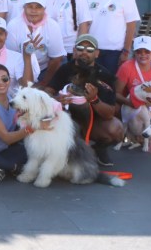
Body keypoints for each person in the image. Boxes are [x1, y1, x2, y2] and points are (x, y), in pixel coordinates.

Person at [44, 33, 124, 167]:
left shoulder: (105, 75)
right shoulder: (64, 69)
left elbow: (110, 113)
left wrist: (94, 100)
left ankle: (98, 149)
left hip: (92, 123)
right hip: (65, 120)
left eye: (90, 49)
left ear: (97, 53)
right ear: (74, 51)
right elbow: (47, 91)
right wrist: (57, 99)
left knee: (116, 129)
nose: (84, 52)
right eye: (80, 48)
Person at [85, 0, 140, 76]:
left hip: (115, 52)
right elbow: (85, 23)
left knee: (110, 84)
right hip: (93, 50)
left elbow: (131, 25)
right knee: (91, 84)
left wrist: (126, 51)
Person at [115, 35, 151, 146]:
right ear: (134, 53)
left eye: (147, 51)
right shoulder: (126, 67)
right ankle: (124, 133)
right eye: (139, 51)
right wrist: (130, 102)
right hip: (130, 105)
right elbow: (116, 93)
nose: (143, 54)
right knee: (115, 106)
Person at [5, 0, 66, 86]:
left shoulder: (53, 26)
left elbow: (56, 59)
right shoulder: (13, 25)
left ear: (44, 9)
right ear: (24, 8)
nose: (34, 11)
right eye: (30, 6)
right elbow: (11, 58)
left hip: (45, 69)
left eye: (38, 7)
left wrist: (44, 84)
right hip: (20, 69)